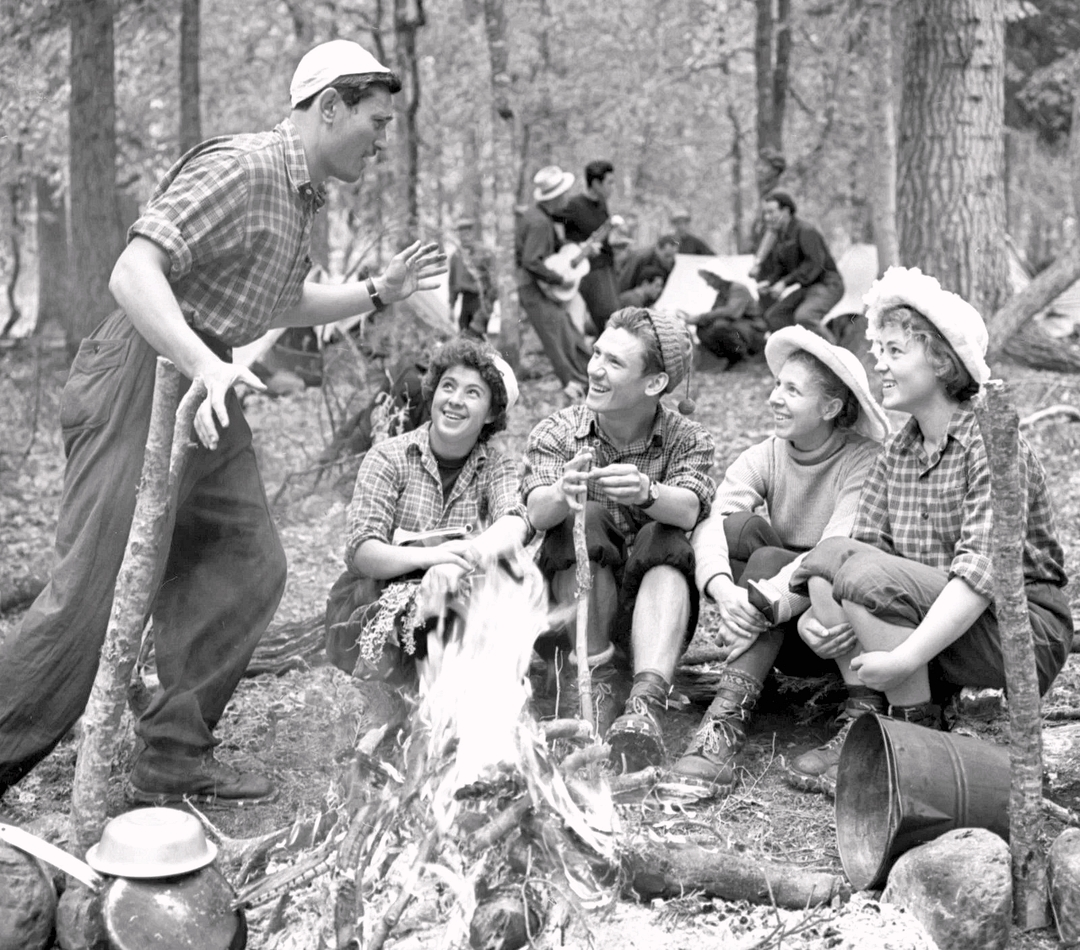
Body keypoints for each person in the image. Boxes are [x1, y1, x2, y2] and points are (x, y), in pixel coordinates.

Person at [0, 40, 447, 808]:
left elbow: (280, 305)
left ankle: (171, 754)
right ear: (328, 107)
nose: (382, 139)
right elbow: (132, 271)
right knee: (91, 599)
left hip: (199, 382)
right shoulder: (243, 167)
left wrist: (380, 289)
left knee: (249, 565)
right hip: (144, 369)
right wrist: (202, 365)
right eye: (374, 121)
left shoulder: (301, 195)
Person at [783, 267, 1074, 796]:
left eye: (895, 352)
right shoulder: (898, 450)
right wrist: (819, 621)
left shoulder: (991, 441)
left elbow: (980, 573)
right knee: (827, 560)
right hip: (938, 615)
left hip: (1018, 625)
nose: (880, 363)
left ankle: (914, 737)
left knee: (864, 576)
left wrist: (905, 657)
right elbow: (857, 552)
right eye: (882, 351)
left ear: (941, 362)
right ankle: (870, 713)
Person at [667, 327, 889, 795]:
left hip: (836, 632)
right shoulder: (764, 455)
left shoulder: (863, 462)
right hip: (780, 621)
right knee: (738, 530)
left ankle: (730, 717)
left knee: (770, 557)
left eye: (792, 390)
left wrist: (763, 603)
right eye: (776, 385)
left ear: (830, 408)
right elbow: (711, 520)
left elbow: (833, 550)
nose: (774, 398)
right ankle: (730, 715)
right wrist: (725, 592)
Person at [522, 308, 716, 773]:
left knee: (664, 536)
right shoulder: (558, 431)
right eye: (596, 354)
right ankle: (595, 681)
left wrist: (648, 493)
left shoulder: (686, 439)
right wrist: (561, 492)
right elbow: (534, 512)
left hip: (653, 619)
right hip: (568, 621)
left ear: (653, 385)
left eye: (614, 363)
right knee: (583, 517)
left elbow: (690, 506)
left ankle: (646, 701)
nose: (594, 369)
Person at [324, 338, 530, 686]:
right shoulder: (389, 457)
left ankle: (445, 713)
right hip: (372, 603)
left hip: (455, 602)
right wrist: (434, 558)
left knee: (494, 593)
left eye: (472, 393)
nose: (454, 400)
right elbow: (363, 552)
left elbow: (515, 521)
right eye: (447, 386)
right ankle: (408, 702)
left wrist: (464, 558)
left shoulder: (498, 468)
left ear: (492, 413)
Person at [515, 165, 591, 400]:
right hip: (533, 287)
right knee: (556, 338)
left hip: (542, 288)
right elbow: (532, 261)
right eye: (564, 194)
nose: (566, 199)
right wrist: (559, 278)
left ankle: (588, 377)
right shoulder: (538, 222)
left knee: (567, 331)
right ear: (556, 197)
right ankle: (573, 385)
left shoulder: (541, 218)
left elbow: (554, 249)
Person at [755, 191, 844, 339]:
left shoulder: (806, 231)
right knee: (775, 317)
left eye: (771, 212)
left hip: (828, 285)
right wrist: (770, 282)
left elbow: (814, 264)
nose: (767, 218)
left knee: (805, 318)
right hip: (808, 288)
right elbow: (781, 268)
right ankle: (800, 356)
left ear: (786, 211)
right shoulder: (780, 237)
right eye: (765, 213)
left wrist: (785, 283)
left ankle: (833, 358)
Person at [556, 160, 619, 334]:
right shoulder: (574, 206)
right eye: (609, 183)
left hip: (606, 267)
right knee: (609, 319)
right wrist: (575, 248)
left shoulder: (602, 204)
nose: (612, 187)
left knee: (611, 319)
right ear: (596, 183)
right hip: (589, 272)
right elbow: (553, 231)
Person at [683, 270, 764, 368]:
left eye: (709, 280)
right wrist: (697, 320)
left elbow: (732, 312)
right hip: (738, 327)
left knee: (720, 327)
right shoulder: (722, 293)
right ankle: (733, 358)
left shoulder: (738, 288)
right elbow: (713, 314)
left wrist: (700, 317)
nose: (708, 284)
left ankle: (743, 358)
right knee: (703, 328)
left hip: (753, 327)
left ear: (717, 277)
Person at [447, 217, 496, 340]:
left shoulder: (484, 253)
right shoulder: (456, 257)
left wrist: (488, 305)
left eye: (467, 233)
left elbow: (494, 282)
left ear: (472, 233)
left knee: (477, 335)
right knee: (463, 333)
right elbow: (453, 284)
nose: (465, 237)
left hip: (480, 300)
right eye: (461, 234)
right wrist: (451, 307)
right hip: (465, 300)